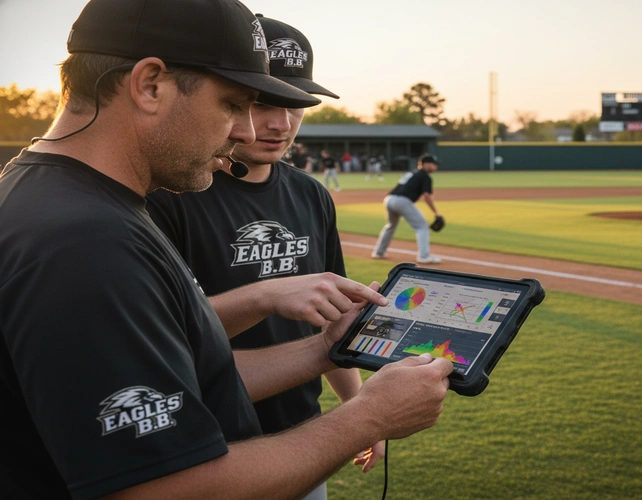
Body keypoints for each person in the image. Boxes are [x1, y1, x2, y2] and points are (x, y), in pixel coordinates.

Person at [0, 1, 453, 498]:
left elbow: (178, 377)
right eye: (235, 104)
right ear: (150, 85)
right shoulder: (85, 241)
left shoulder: (59, 200)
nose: (250, 131)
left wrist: (324, 347)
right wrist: (366, 418)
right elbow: (162, 489)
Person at [145, 16, 381, 498]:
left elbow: (330, 320)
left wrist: (362, 412)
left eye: (296, 105)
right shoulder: (171, 194)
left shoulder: (311, 195)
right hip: (207, 449)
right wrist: (266, 295)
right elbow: (160, 339)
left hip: (304, 438)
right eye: (263, 103)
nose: (280, 123)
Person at [372, 154, 443, 264]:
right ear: (425, 164)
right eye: (434, 164)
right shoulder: (425, 176)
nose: (435, 167)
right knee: (422, 226)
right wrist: (436, 213)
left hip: (389, 199)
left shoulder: (412, 173)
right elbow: (427, 196)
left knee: (391, 226)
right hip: (402, 201)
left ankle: (378, 252)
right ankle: (424, 256)